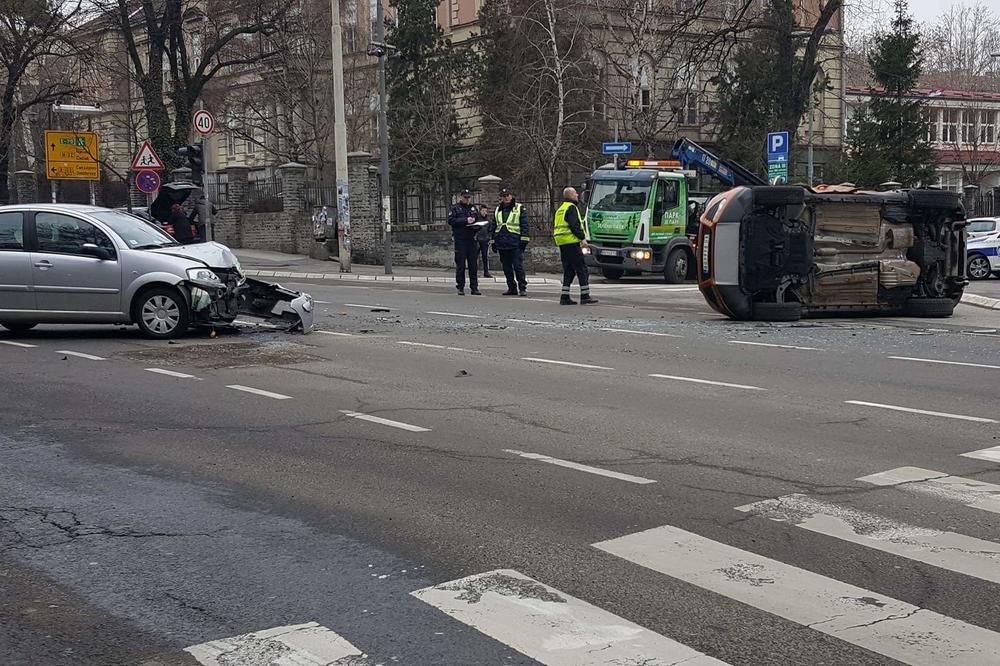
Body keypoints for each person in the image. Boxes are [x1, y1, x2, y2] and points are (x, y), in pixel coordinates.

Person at [552, 187, 598, 305]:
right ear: (570, 196)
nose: (577, 195)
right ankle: (585, 296)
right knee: (582, 269)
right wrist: (582, 238)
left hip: (562, 242)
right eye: (575, 193)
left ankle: (564, 297)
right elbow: (574, 225)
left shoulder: (560, 209)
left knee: (569, 270)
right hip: (571, 242)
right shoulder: (571, 208)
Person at [492, 188, 530, 296]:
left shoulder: (519, 208)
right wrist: (493, 241)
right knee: (506, 268)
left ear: (511, 195)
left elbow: (525, 225)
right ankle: (511, 287)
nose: (506, 197)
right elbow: (494, 226)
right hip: (502, 243)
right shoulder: (498, 209)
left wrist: (524, 240)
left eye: (507, 195)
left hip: (515, 243)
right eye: (504, 196)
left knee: (518, 267)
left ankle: (522, 288)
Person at [447, 189, 481, 295]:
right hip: (460, 239)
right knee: (461, 264)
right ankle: (460, 287)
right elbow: (451, 221)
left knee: (473, 265)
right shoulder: (455, 208)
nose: (467, 199)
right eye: (465, 197)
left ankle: (474, 287)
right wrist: (465, 220)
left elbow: (478, 219)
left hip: (471, 239)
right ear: (461, 197)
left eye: (468, 197)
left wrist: (477, 225)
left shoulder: (473, 208)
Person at [476, 204, 493, 278]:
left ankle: (486, 272)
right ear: (480, 211)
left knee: (485, 257)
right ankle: (474, 271)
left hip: (485, 240)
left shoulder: (488, 220)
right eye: (483, 210)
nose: (484, 212)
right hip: (477, 240)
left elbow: (490, 230)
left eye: (485, 211)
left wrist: (489, 238)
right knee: (475, 257)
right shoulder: (476, 218)